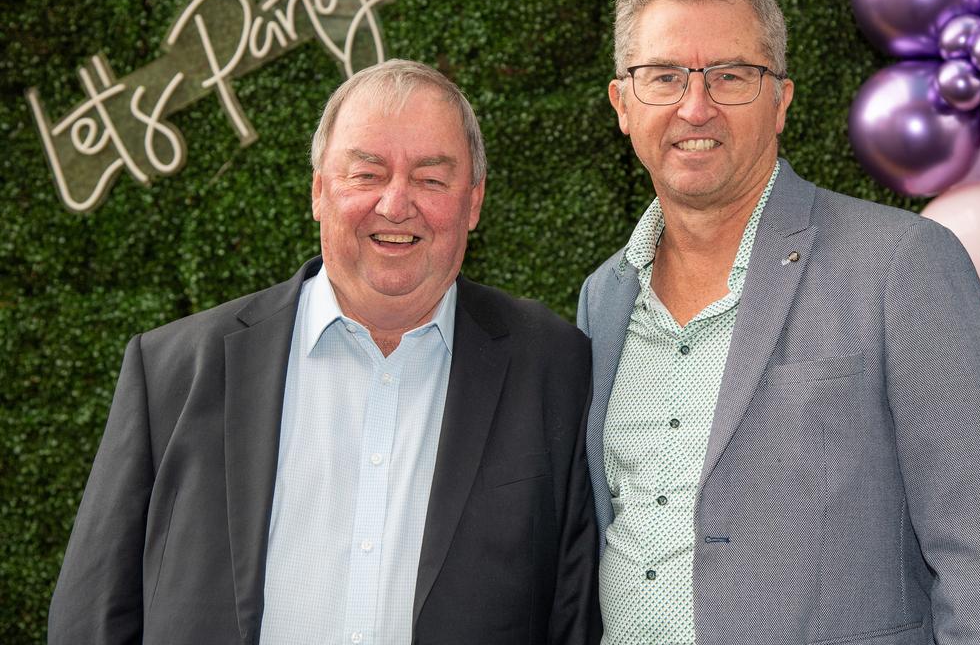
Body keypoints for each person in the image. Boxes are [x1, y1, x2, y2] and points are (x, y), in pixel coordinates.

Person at [50, 59, 600, 645]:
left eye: (431, 179)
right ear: (318, 190)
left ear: (473, 203)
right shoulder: (170, 373)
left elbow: (575, 617)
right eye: (367, 174)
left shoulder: (554, 371)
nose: (396, 204)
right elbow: (92, 618)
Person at [578, 0, 980, 645]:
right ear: (623, 105)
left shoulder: (904, 265)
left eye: (730, 76)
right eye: (663, 77)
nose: (696, 106)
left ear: (781, 101)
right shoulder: (603, 298)